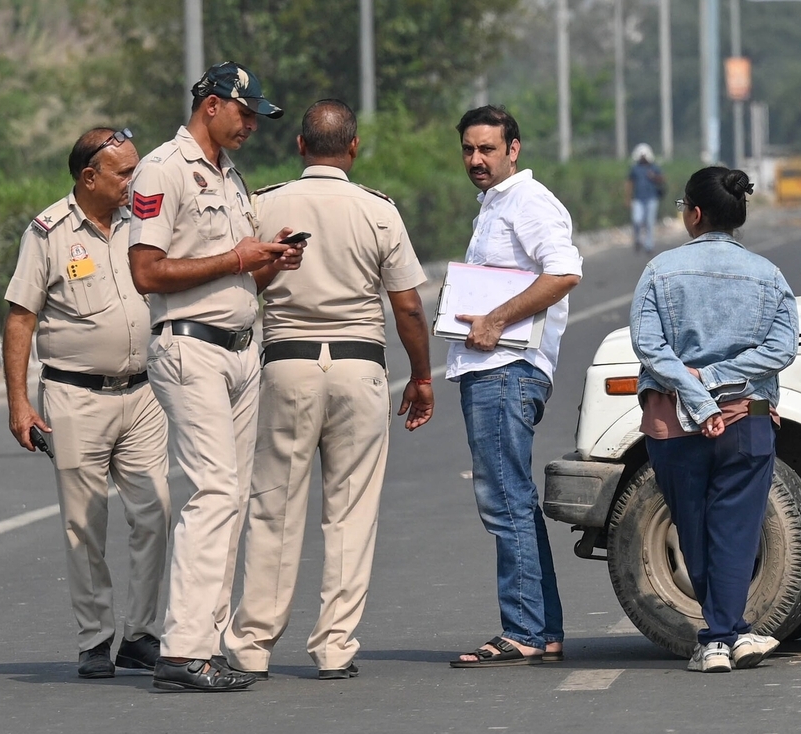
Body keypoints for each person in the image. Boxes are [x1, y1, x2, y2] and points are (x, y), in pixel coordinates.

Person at [224, 99, 435, 681]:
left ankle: (252, 644)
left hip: (286, 364)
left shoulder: (262, 205)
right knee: (350, 512)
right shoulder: (378, 211)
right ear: (354, 147)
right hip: (358, 367)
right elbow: (408, 307)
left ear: (299, 146)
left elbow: (240, 282)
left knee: (274, 507)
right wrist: (421, 377)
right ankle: (335, 646)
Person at [127, 61, 302, 692]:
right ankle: (180, 651)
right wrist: (236, 257)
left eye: (257, 116)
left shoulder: (230, 176)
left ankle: (203, 645)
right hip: (190, 348)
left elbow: (240, 273)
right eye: (244, 112)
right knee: (214, 492)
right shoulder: (162, 169)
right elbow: (147, 271)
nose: (252, 124)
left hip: (239, 349)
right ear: (211, 105)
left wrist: (271, 260)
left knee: (231, 498)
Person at [2, 126, 172, 679]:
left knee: (155, 513)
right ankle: (95, 640)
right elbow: (20, 319)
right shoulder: (48, 233)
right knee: (84, 524)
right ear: (89, 177)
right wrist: (19, 404)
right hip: (75, 397)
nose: (134, 181)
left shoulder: (142, 223)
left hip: (143, 393)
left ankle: (140, 635)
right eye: (124, 172)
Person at [630, 167, 797, 673]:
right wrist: (721, 379)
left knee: (693, 527)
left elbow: (648, 345)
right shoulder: (769, 275)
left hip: (675, 424)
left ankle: (720, 639)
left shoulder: (660, 270)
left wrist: (696, 388)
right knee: (736, 531)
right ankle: (733, 635)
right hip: (748, 419)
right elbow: (782, 349)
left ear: (695, 214)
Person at [445, 106, 582, 668]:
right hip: (493, 369)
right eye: (469, 150)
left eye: (488, 149)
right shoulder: (495, 204)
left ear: (513, 149)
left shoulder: (528, 201)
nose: (477, 160)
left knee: (504, 499)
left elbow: (564, 271)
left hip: (507, 369)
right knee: (513, 499)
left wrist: (497, 319)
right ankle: (542, 630)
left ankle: (523, 628)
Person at [627, 143, 666, 253]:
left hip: (651, 198)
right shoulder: (635, 168)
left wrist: (654, 177)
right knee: (637, 220)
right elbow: (629, 183)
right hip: (638, 199)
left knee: (649, 222)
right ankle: (637, 239)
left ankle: (649, 245)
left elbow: (662, 179)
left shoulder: (654, 167)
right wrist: (628, 198)